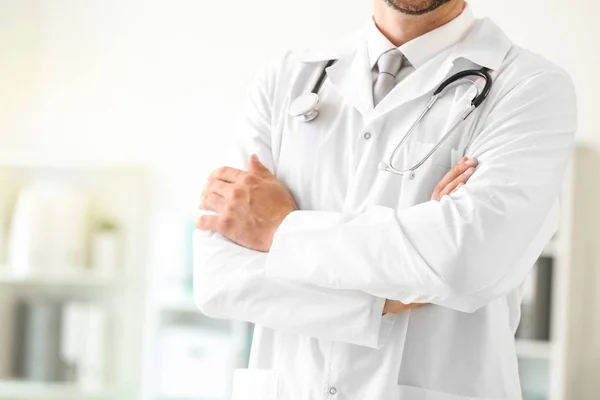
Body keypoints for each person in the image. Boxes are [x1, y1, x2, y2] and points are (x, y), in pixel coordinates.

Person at [194, 0, 577, 399]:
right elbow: (219, 278)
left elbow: (466, 259)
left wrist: (279, 229)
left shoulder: (531, 87)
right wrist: (390, 294)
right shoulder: (284, 80)